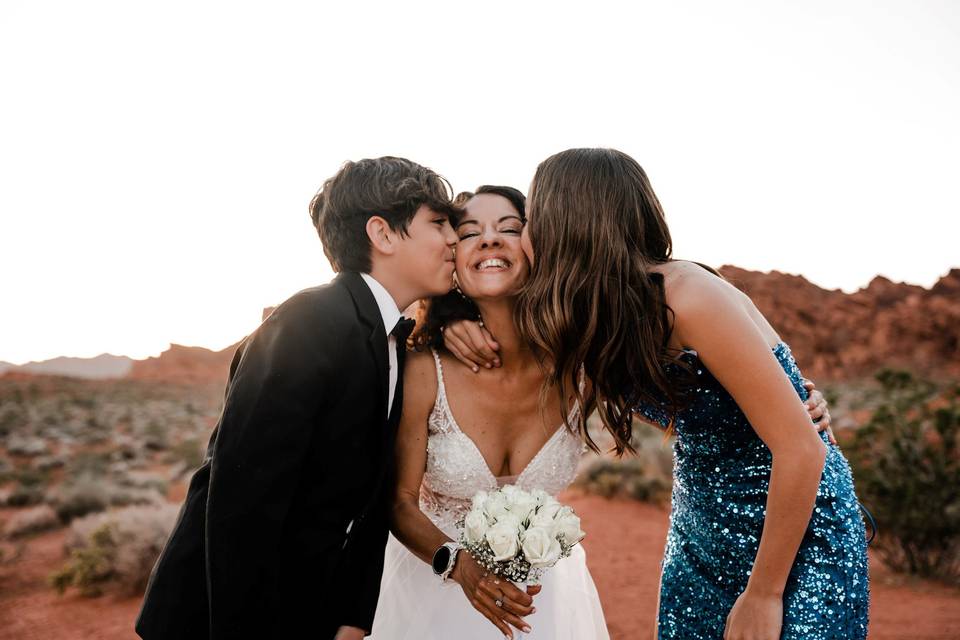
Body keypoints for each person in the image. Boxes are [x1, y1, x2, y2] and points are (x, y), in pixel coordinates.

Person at [445, 149, 868, 640]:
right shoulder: (594, 316)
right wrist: (447, 319)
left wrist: (765, 593)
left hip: (794, 534)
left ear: (569, 219)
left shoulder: (688, 295)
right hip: (701, 530)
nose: (530, 233)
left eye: (533, 217)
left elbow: (799, 447)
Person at [135, 157, 459, 640]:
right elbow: (241, 504)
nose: (454, 239)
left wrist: (353, 616)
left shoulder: (393, 339)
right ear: (383, 234)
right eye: (438, 223)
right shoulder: (308, 321)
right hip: (222, 619)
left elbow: (368, 503)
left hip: (309, 609)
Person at [370, 186, 609, 640]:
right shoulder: (426, 368)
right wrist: (459, 567)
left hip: (547, 606)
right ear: (455, 263)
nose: (490, 240)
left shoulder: (582, 366)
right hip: (428, 598)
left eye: (509, 228)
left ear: (537, 247)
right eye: (470, 232)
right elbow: (398, 500)